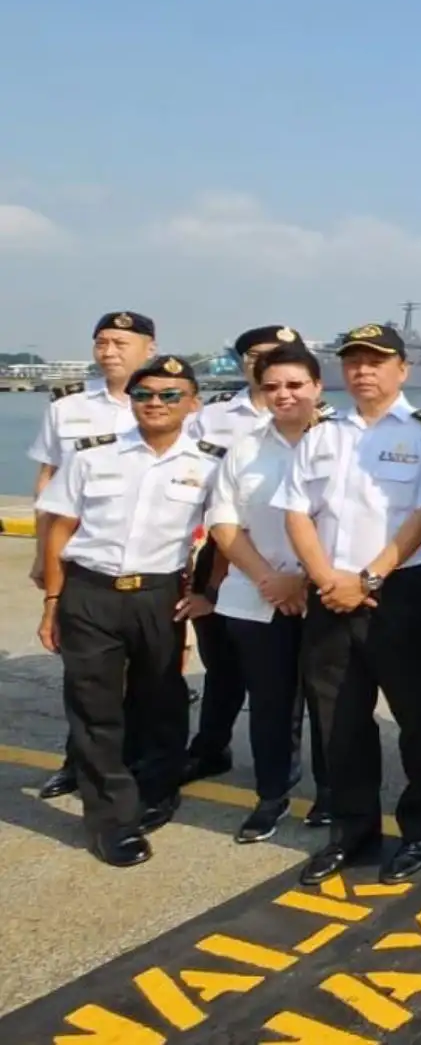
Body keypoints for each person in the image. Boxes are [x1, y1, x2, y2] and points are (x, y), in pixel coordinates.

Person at [273, 322, 421, 886]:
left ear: (403, 368)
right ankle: (352, 833)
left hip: (399, 594)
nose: (362, 371)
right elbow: (296, 510)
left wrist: (369, 578)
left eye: (375, 361)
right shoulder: (322, 433)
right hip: (331, 594)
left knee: (419, 719)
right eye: (352, 362)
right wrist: (327, 577)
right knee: (340, 721)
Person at [33, 356, 221, 866]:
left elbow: (227, 535)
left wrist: (209, 590)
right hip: (90, 592)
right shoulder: (93, 456)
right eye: (144, 395)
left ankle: (157, 792)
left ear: (192, 404)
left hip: (159, 596)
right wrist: (53, 600)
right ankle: (111, 821)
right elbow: (58, 529)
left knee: (160, 698)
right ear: (131, 402)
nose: (155, 403)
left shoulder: (209, 462)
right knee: (94, 708)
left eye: (169, 395)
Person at [184, 325, 332, 812]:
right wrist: (270, 579)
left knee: (332, 706)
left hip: (328, 594)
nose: (283, 395)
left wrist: (304, 579)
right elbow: (223, 522)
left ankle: (334, 797)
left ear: (317, 386)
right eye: (272, 387)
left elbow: (356, 524)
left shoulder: (344, 445)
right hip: (256, 594)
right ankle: (272, 794)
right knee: (269, 705)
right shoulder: (245, 448)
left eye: (294, 384)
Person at [27, 310, 157, 802]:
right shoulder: (68, 409)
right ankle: (79, 762)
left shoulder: (174, 405)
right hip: (84, 559)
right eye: (101, 341)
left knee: (150, 675)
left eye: (121, 342)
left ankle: (141, 762)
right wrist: (45, 556)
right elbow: (47, 482)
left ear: (150, 347)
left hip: (151, 564)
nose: (109, 351)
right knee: (86, 675)